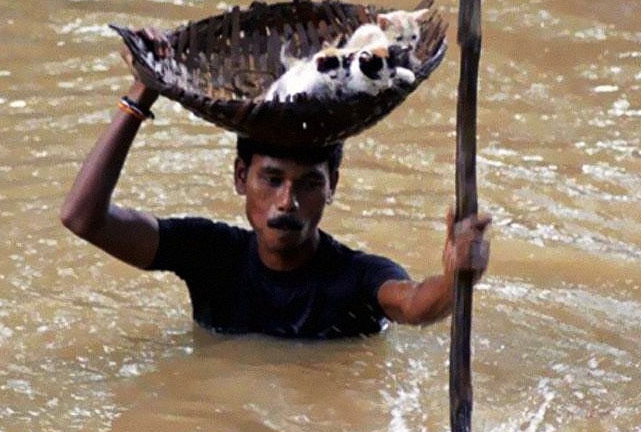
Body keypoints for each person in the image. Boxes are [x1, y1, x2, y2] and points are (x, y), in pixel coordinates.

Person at [60, 29, 491, 338]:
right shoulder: (210, 256)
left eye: (308, 184)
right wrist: (140, 94)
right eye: (272, 179)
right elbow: (82, 218)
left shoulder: (358, 276)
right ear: (240, 177)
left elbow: (414, 304)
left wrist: (456, 278)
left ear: (332, 186)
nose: (287, 202)